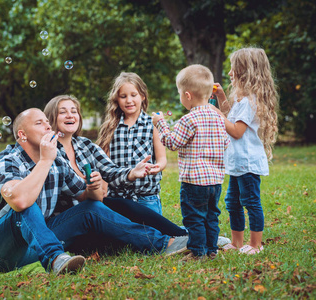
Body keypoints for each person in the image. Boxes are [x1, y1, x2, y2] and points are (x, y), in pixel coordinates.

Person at [0, 108, 188, 275]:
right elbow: (20, 202)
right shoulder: (8, 160)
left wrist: (93, 188)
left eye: (47, 122)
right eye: (39, 123)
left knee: (90, 208)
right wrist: (45, 160)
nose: (48, 126)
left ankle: (162, 243)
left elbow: (87, 197)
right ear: (22, 136)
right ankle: (56, 259)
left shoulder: (57, 160)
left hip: (33, 246)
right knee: (23, 207)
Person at [44, 95, 188, 240]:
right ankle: (163, 241)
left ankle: (182, 234)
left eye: (74, 111)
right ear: (51, 118)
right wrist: (95, 187)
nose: (70, 115)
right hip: (73, 221)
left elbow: (111, 171)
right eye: (63, 112)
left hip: (95, 207)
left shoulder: (84, 145)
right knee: (111, 221)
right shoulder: (49, 151)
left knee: (125, 206)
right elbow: (80, 191)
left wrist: (132, 172)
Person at [152, 64, 230, 261]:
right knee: (211, 216)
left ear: (187, 95)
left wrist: (160, 124)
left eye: (179, 93)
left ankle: (197, 252)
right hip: (215, 180)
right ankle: (211, 250)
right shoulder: (219, 118)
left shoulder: (189, 120)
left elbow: (172, 142)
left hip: (194, 181)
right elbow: (227, 143)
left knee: (194, 217)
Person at [210, 48, 279, 255]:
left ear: (245, 72)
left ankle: (256, 244)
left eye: (233, 69)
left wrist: (215, 114)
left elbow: (237, 131)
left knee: (250, 202)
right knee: (232, 202)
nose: (230, 73)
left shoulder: (250, 102)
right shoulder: (242, 100)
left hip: (247, 163)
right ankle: (237, 242)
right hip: (238, 163)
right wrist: (221, 96)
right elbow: (229, 116)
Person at [96, 72, 167, 214]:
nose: (129, 100)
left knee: (154, 235)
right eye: (123, 96)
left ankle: (188, 234)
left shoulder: (152, 124)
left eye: (133, 95)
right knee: (122, 235)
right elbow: (104, 164)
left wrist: (157, 167)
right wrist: (103, 189)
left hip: (147, 198)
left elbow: (162, 158)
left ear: (142, 96)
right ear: (116, 99)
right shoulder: (110, 127)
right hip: (118, 198)